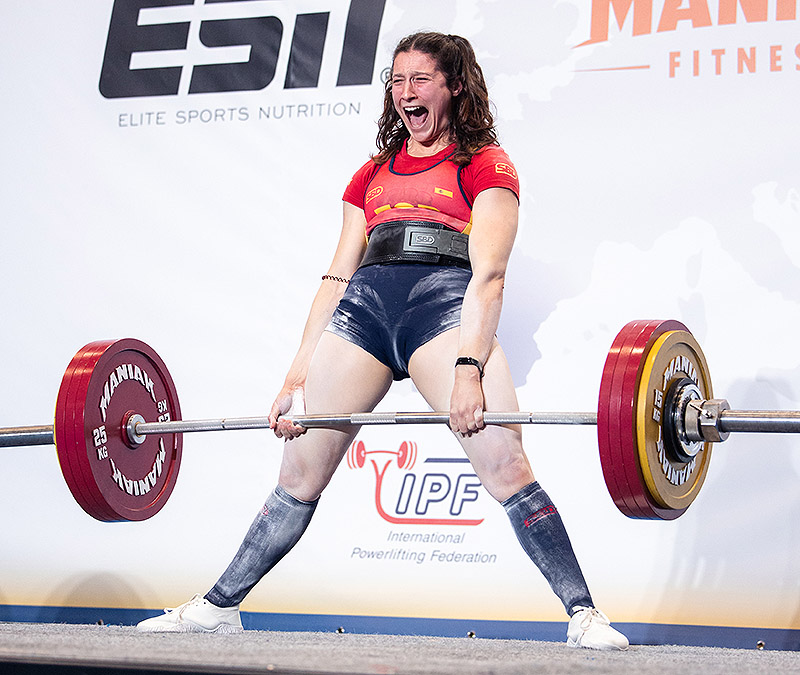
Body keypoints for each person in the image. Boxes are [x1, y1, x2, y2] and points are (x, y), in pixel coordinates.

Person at [137, 31, 629, 651]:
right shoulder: (369, 175)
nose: (405, 93)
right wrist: (297, 374)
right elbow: (336, 276)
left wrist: (469, 369)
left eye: (420, 79)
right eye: (397, 81)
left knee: (506, 463)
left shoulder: (486, 165)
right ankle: (219, 606)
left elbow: (490, 275)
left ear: (454, 86)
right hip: (365, 313)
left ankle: (582, 613)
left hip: (443, 310)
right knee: (298, 473)